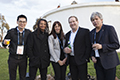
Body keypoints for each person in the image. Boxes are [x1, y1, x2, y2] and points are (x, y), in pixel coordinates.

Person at [90, 12, 120, 80]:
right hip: (98, 63)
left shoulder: (109, 29)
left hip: (109, 62)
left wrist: (102, 46)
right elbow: (91, 47)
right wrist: (92, 56)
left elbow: (116, 45)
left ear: (101, 19)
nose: (94, 21)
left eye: (96, 19)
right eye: (92, 20)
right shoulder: (91, 32)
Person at [2, 14, 31, 80]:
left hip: (23, 58)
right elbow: (5, 43)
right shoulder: (11, 32)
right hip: (13, 58)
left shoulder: (28, 32)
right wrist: (4, 43)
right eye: (20, 21)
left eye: (24, 22)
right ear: (17, 22)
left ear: (26, 23)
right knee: (12, 77)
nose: (22, 23)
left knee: (23, 77)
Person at [64, 16, 91, 80]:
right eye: (70, 22)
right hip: (71, 60)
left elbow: (88, 46)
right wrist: (65, 50)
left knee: (83, 78)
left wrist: (86, 58)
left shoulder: (85, 31)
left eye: (73, 21)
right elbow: (66, 46)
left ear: (77, 22)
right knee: (74, 78)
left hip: (82, 60)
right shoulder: (67, 34)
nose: (72, 23)